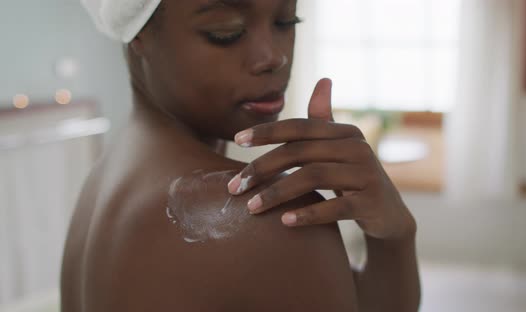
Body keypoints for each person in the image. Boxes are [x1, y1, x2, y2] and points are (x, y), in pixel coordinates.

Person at [61, 0, 420, 311]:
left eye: (286, 20)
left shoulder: (106, 178)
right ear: (138, 32)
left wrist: (393, 235)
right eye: (225, 31)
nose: (273, 57)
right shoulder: (261, 216)